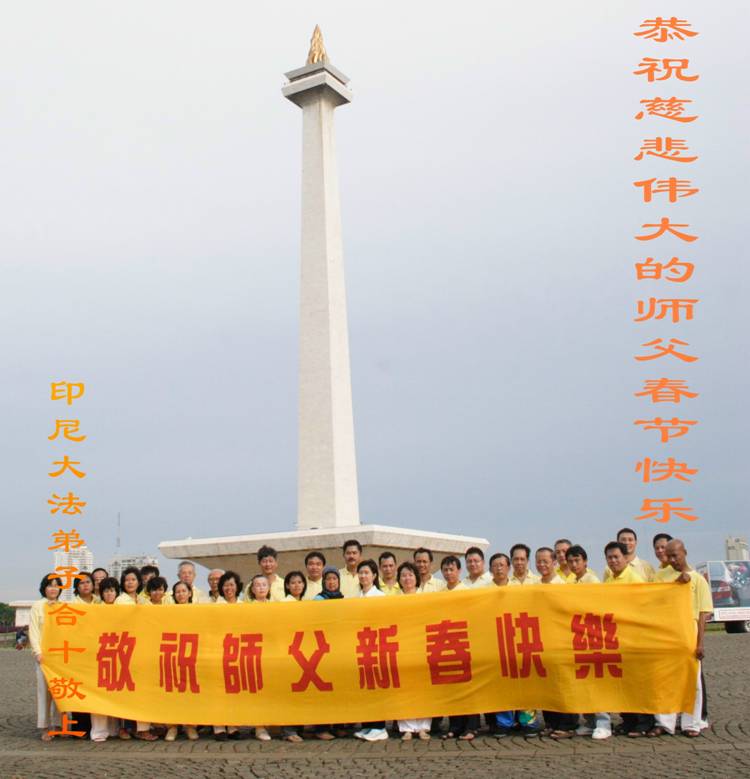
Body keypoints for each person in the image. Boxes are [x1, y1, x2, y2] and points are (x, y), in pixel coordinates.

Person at [651, 539, 712, 738]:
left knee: (692, 680)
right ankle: (664, 722)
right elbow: (653, 601)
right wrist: (674, 586)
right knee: (664, 679)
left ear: (684, 553)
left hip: (689, 632)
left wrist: (700, 642)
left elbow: (703, 613)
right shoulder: (661, 576)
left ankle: (691, 723)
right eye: (668, 556)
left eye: (675, 556)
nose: (672, 560)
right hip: (666, 631)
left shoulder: (698, 580)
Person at [115, 567, 156, 740]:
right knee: (127, 690)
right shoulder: (120, 601)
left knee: (143, 690)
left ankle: (143, 727)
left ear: (139, 582)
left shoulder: (144, 600)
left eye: (133, 579)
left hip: (144, 649)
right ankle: (127, 727)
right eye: (127, 580)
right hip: (126, 648)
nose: (130, 583)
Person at [352, 560, 388, 742]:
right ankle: (367, 725)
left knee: (376, 687)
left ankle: (379, 727)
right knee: (365, 687)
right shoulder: (357, 596)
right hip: (362, 646)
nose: (363, 576)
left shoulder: (380, 596)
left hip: (376, 645)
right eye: (361, 573)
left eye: (366, 572)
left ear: (374, 575)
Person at [395, 562, 431, 741]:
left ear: (416, 578)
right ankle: (407, 727)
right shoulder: (393, 600)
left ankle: (423, 727)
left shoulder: (425, 598)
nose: (407, 578)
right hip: (402, 648)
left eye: (410, 575)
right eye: (403, 575)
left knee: (423, 688)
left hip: (422, 646)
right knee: (405, 688)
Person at [164, 582, 199, 742]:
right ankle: (172, 726)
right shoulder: (168, 612)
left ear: (190, 593)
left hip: (191, 655)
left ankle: (190, 726)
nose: (181, 594)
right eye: (177, 592)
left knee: (190, 693)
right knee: (172, 693)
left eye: (184, 591)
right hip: (173, 654)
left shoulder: (198, 611)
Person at [29, 574, 63, 741]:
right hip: (44, 656)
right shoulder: (38, 606)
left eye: (56, 585)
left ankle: (58, 724)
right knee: (44, 692)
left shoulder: (63, 607)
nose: (53, 589)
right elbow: (34, 631)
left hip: (60, 656)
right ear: (44, 588)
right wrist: (37, 652)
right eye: (50, 585)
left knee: (59, 692)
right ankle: (44, 726)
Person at [212, 571, 244, 741]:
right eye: (225, 585)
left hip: (237, 651)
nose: (228, 588)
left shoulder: (244, 605)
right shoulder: (215, 606)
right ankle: (218, 727)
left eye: (231, 584)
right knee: (219, 690)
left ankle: (233, 725)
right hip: (220, 651)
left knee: (234, 690)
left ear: (237, 586)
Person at [90, 578, 120, 742]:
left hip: (118, 654)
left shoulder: (122, 609)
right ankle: (99, 730)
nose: (109, 594)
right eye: (106, 591)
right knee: (100, 693)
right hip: (101, 654)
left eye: (112, 590)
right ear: (101, 593)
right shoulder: (95, 609)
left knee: (115, 692)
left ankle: (114, 728)